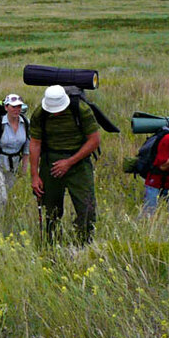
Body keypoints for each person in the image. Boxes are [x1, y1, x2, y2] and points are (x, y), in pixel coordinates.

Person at [29, 84, 101, 244]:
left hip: (79, 163)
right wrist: (34, 176)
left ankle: (84, 244)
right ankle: (51, 245)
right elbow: (35, 144)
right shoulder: (40, 114)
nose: (56, 113)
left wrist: (69, 162)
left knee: (87, 208)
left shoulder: (80, 109)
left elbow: (94, 140)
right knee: (51, 210)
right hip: (50, 163)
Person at [0, 93, 29, 223]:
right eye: (13, 107)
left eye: (19, 106)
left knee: (3, 196)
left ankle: (0, 222)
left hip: (13, 165)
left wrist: (24, 169)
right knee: (1, 197)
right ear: (6, 107)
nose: (17, 109)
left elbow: (26, 149)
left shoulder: (25, 123)